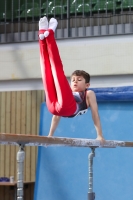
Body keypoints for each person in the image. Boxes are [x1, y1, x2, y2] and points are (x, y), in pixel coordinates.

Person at [38, 16, 105, 144]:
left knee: (51, 72)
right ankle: (44, 35)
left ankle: (47, 35)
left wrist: (99, 135)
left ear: (87, 84)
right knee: (50, 71)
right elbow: (56, 116)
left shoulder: (88, 94)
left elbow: (95, 114)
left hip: (68, 108)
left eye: (79, 80)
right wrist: (50, 135)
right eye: (73, 79)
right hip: (55, 107)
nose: (74, 81)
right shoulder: (67, 91)